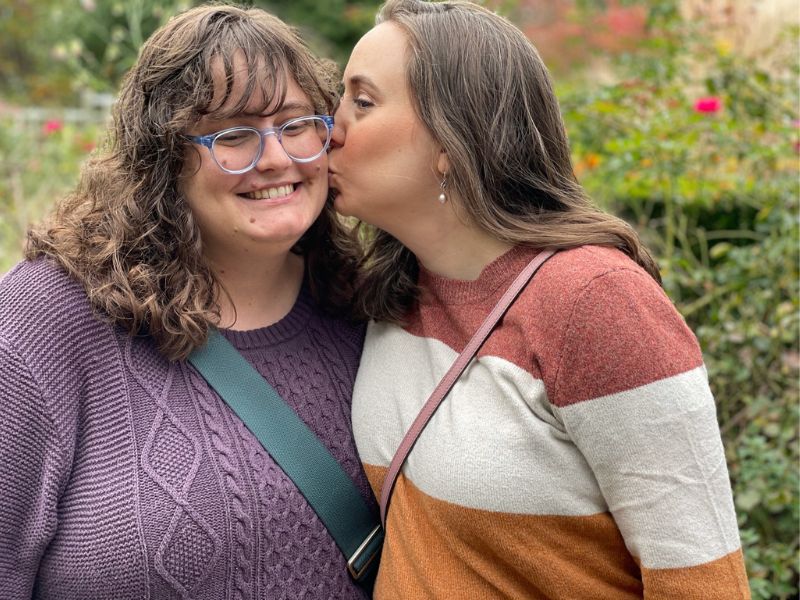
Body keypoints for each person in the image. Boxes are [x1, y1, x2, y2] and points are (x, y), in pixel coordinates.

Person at [328, 0, 750, 598]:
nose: (329, 127)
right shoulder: (391, 294)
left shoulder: (595, 302)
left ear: (452, 139)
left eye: (361, 101)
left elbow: (702, 581)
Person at [0, 4, 377, 598]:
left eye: (297, 124)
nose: (275, 158)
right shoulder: (45, 321)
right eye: (232, 135)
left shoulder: (367, 309)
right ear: (163, 160)